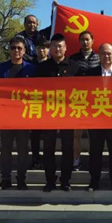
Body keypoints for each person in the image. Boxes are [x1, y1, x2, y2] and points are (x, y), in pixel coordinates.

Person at [35, 34, 79, 192]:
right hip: (49, 114)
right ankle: (50, 180)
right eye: (54, 46)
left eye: (60, 46)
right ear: (50, 49)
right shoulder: (42, 68)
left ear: (65, 48)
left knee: (67, 148)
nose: (57, 49)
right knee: (48, 148)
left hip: (68, 114)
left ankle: (65, 180)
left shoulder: (75, 67)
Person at [0, 35, 36, 190]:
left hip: (24, 116)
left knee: (23, 150)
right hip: (6, 116)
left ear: (24, 50)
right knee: (5, 149)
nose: (16, 51)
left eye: (19, 48)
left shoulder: (31, 69)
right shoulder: (1, 68)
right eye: (13, 48)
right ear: (9, 50)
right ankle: (5, 179)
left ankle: (21, 179)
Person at [85, 43, 112, 191]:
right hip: (96, 119)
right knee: (95, 151)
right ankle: (94, 181)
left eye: (109, 53)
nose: (106, 56)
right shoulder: (90, 73)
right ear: (99, 55)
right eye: (103, 53)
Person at [69, 30, 100, 171]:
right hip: (78, 100)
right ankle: (76, 159)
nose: (85, 42)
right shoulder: (73, 59)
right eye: (82, 39)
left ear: (93, 41)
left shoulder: (99, 58)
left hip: (95, 101)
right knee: (76, 134)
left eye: (87, 39)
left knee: (94, 135)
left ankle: (93, 160)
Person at [28, 35, 50, 169]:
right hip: (34, 103)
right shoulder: (29, 65)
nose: (42, 51)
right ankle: (35, 158)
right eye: (39, 48)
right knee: (35, 134)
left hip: (49, 104)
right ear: (35, 49)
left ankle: (47, 159)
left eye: (44, 48)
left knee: (48, 135)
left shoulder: (52, 64)